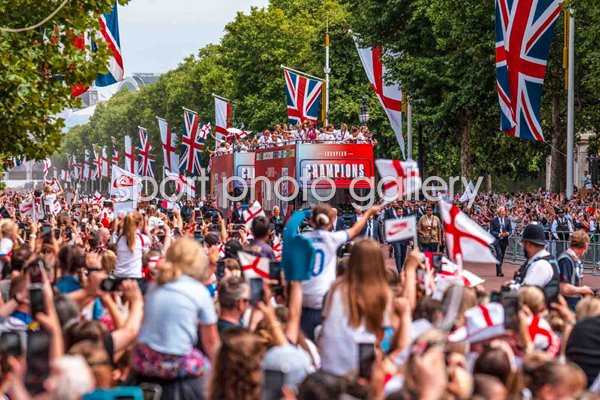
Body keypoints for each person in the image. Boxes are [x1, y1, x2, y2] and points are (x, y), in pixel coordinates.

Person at [131, 238, 219, 396]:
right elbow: (211, 342)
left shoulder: (155, 286)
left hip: (145, 363)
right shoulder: (199, 292)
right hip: (179, 367)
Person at [300, 203, 382, 340]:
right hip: (324, 299)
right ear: (331, 222)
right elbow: (355, 230)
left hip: (304, 298)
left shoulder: (302, 238)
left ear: (312, 220)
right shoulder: (332, 238)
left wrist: (302, 214)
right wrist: (368, 213)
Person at [319, 239, 390, 376]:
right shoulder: (381, 291)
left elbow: (326, 319)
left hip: (331, 361)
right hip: (360, 363)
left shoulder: (336, 287)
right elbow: (382, 334)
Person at [513, 223, 560, 300]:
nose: (523, 247)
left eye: (523, 244)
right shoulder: (543, 259)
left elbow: (525, 294)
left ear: (528, 245)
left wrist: (511, 287)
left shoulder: (540, 265)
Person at [557, 230, 594, 309]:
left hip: (572, 304)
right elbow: (563, 288)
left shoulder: (575, 260)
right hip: (566, 306)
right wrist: (582, 290)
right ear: (585, 246)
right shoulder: (565, 260)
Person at [114, 211, 150, 282]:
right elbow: (148, 255)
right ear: (140, 224)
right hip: (135, 277)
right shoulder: (143, 239)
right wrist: (148, 233)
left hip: (118, 276)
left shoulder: (120, 238)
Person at [386, 205, 411, 273]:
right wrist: (390, 243)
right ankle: (399, 271)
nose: (401, 213)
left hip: (404, 240)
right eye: (399, 212)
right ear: (396, 212)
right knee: (398, 255)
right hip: (396, 240)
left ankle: (400, 268)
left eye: (401, 212)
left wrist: (410, 240)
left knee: (403, 256)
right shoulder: (393, 220)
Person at [489, 206, 512, 277]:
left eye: (504, 211)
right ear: (498, 212)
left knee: (502, 256)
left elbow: (510, 230)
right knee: (499, 254)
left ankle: (499, 270)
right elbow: (491, 231)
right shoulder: (493, 221)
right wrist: (499, 234)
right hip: (497, 240)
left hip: (504, 240)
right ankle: (499, 272)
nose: (503, 213)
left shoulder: (507, 220)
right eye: (502, 211)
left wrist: (506, 233)